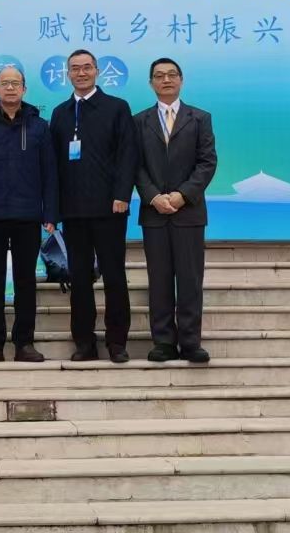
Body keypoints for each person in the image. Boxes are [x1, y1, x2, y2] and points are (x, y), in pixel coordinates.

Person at [0, 64, 58, 363]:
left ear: (24, 89)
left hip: (28, 216)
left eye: (16, 83)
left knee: (26, 280)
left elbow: (50, 174)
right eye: (5, 83)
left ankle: (24, 343)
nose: (11, 88)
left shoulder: (39, 126)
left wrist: (51, 213)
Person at [49, 50, 137, 363]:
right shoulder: (60, 113)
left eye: (87, 67)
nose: (81, 73)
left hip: (110, 209)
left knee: (114, 276)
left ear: (97, 71)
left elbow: (128, 154)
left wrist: (122, 195)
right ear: (68, 74)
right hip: (73, 211)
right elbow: (53, 165)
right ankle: (84, 342)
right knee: (80, 279)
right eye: (75, 68)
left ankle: (117, 342)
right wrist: (53, 210)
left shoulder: (116, 107)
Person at [133, 57, 217, 364]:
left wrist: (183, 195)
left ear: (181, 80)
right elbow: (135, 165)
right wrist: (153, 197)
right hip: (154, 213)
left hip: (189, 212)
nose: (165, 80)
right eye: (159, 76)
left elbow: (207, 162)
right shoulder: (138, 121)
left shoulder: (200, 118)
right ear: (151, 83)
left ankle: (191, 342)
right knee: (159, 280)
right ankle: (164, 342)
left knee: (190, 280)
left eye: (171, 75)